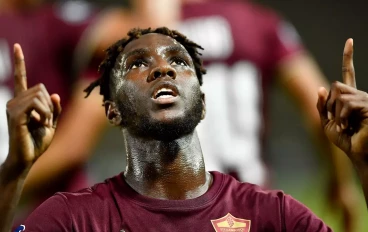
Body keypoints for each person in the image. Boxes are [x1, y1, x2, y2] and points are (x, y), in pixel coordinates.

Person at [1, 27, 368, 231]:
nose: (163, 68)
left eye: (178, 60)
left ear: (202, 103)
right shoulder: (72, 219)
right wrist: (13, 172)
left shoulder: (276, 217)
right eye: (137, 64)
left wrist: (366, 163)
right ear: (112, 111)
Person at [178, 0, 359, 229]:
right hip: (250, 209)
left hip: (177, 212)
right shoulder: (259, 23)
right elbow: (321, 109)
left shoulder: (153, 28)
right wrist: (341, 184)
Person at [0, 0, 180, 222]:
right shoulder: (42, 21)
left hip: (48, 213)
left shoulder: (50, 20)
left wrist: (10, 178)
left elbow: (151, 41)